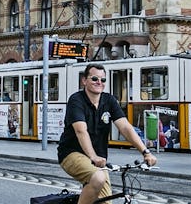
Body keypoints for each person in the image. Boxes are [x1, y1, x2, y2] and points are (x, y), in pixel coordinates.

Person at [58, 64, 158, 204]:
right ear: (84, 81)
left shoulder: (109, 100)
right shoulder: (76, 100)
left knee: (105, 201)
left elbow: (125, 127)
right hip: (71, 153)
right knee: (98, 178)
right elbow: (81, 130)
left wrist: (145, 152)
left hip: (99, 159)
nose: (99, 82)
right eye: (94, 78)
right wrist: (93, 156)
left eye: (103, 80)